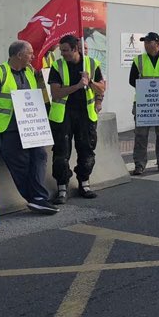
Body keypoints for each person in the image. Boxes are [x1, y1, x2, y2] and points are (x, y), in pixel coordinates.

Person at [0, 40, 58, 214]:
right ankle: (35, 198)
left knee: (40, 155)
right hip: (7, 127)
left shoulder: (30, 72)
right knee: (20, 164)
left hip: (30, 126)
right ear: (19, 55)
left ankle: (38, 197)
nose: (33, 56)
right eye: (30, 53)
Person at [48, 35, 106, 203]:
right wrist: (78, 86)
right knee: (61, 152)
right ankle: (62, 187)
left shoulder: (92, 64)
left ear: (75, 49)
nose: (63, 53)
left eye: (65, 50)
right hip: (63, 115)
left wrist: (91, 82)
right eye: (61, 50)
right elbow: (56, 92)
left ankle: (84, 183)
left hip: (85, 115)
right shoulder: (57, 66)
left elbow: (101, 89)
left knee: (86, 150)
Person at [129, 32, 159, 175]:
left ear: (157, 44)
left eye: (148, 42)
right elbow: (132, 80)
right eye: (144, 42)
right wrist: (147, 90)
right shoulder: (138, 60)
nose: (145, 45)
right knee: (140, 136)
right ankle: (139, 165)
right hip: (143, 104)